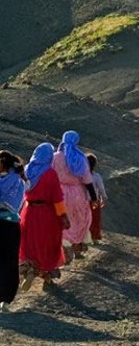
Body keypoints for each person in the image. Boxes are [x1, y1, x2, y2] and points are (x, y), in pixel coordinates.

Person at [19, 143, 70, 292]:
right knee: (47, 243)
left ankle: (30, 269)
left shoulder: (27, 170)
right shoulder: (50, 173)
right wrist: (63, 216)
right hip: (47, 213)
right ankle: (46, 275)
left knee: (30, 243)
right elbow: (57, 198)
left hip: (28, 212)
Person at [53, 131, 97, 262]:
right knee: (79, 220)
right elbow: (88, 180)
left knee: (62, 221)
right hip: (78, 194)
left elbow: (51, 175)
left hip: (60, 193)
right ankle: (77, 247)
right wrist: (94, 198)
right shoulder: (80, 158)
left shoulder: (55, 157)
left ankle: (65, 249)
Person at [0, 150, 26, 312]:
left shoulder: (17, 182)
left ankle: (6, 298)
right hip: (7, 225)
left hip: (8, 225)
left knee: (8, 261)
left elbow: (12, 203)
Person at [86, 153, 108, 245]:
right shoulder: (96, 176)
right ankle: (94, 238)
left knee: (84, 220)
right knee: (95, 220)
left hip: (83, 201)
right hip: (94, 201)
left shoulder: (81, 176)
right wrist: (104, 198)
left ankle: (83, 238)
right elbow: (101, 188)